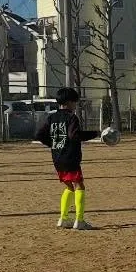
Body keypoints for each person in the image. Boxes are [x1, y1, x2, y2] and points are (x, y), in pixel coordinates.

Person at [35, 87, 104, 230]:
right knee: (80, 185)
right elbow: (74, 135)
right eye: (74, 102)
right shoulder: (72, 117)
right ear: (69, 102)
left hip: (57, 158)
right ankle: (79, 221)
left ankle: (63, 218)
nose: (75, 105)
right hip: (70, 157)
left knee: (69, 186)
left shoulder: (51, 117)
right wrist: (95, 133)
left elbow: (40, 135)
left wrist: (54, 144)